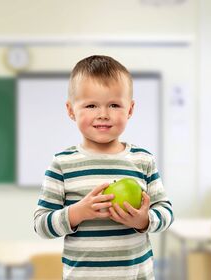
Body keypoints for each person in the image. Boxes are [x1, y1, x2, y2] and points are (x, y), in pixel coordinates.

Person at [33, 55, 174, 279]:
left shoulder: (142, 160)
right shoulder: (62, 163)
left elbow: (166, 212)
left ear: (130, 109)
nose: (103, 114)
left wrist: (144, 221)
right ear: (71, 110)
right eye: (90, 105)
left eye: (114, 105)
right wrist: (77, 213)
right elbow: (41, 225)